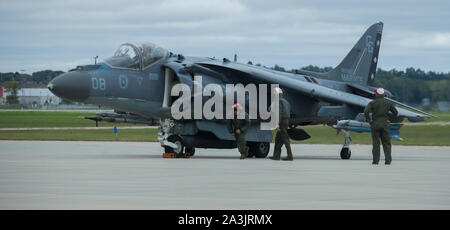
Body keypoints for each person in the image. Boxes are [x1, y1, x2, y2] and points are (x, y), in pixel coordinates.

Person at [364, 88, 398, 165]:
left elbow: (366, 111)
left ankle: (375, 161)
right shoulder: (388, 103)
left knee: (376, 143)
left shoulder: (372, 103)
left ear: (376, 94)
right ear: (383, 94)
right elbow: (395, 112)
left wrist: (369, 120)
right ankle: (388, 160)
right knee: (386, 143)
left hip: (375, 124)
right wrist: (390, 120)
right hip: (385, 124)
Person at [269, 88, 293, 161]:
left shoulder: (278, 102)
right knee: (278, 140)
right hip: (286, 121)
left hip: (281, 122)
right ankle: (276, 156)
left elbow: (279, 113)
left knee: (285, 139)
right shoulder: (286, 101)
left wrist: (277, 124)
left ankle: (290, 156)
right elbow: (290, 111)